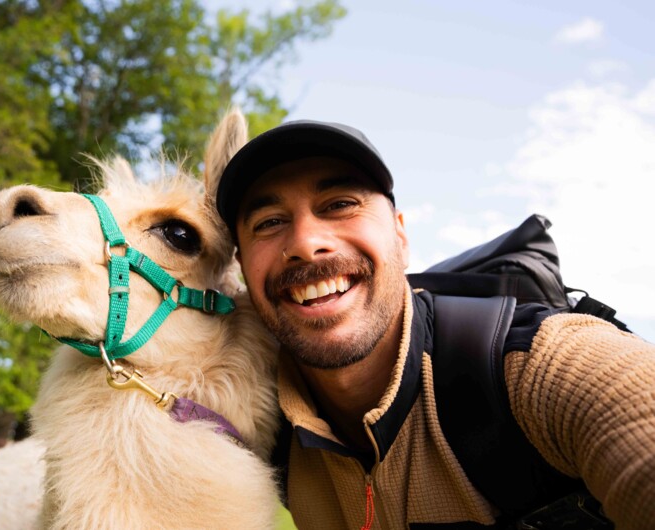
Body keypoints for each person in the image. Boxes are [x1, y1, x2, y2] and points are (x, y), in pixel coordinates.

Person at [214, 120, 655, 529]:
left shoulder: (536, 364)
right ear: (241, 269)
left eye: (340, 204)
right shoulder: (262, 430)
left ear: (401, 237)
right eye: (269, 222)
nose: (307, 244)